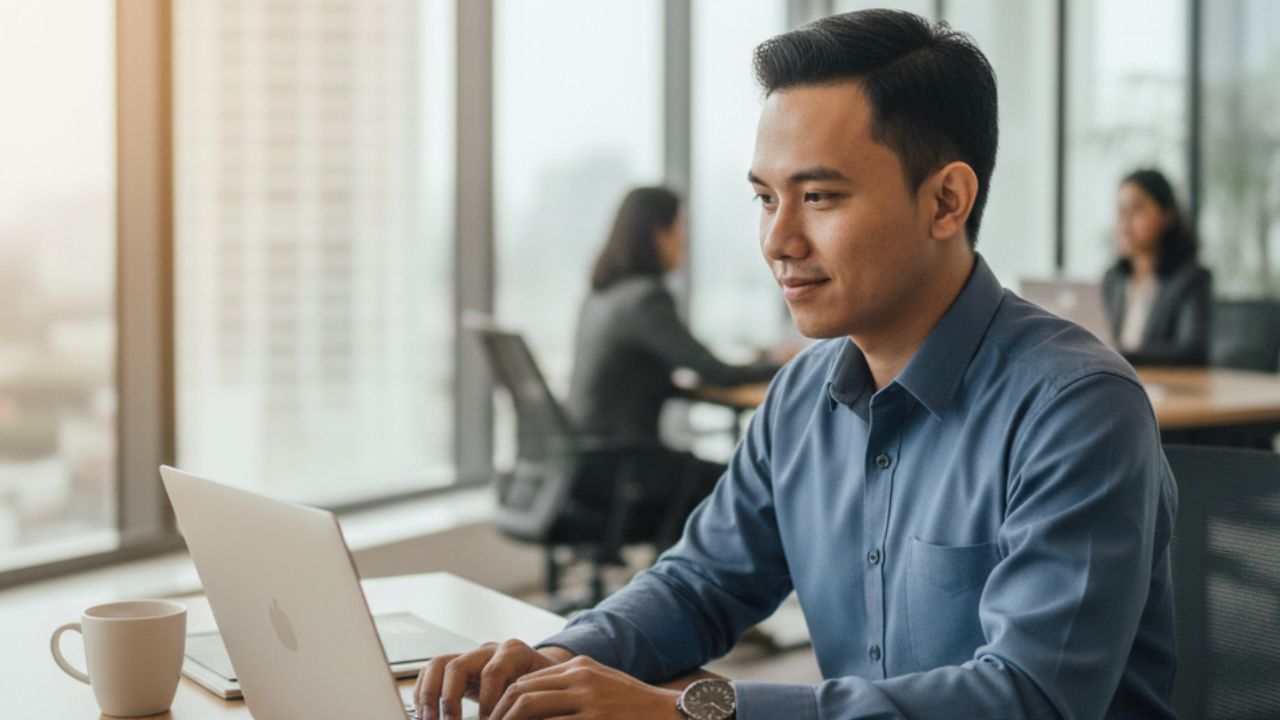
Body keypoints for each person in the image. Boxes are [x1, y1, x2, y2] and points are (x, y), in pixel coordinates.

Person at [415, 10, 1177, 720]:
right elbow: (699, 584)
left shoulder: (1076, 407)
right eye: (764, 199)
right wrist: (553, 660)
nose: (779, 241)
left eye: (817, 197)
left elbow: (1027, 698)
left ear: (946, 202)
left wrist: (691, 712)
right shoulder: (801, 397)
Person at [565, 186, 779, 544]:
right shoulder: (646, 300)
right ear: (657, 234)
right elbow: (716, 372)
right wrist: (788, 362)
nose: (684, 242)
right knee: (747, 486)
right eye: (680, 229)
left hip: (586, 465)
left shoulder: (603, 296)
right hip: (624, 469)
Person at [1103, 168, 1212, 366]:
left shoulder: (1190, 278)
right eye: (1121, 211)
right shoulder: (1113, 279)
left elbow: (1191, 352)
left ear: (1167, 215)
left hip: (1164, 383)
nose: (1124, 224)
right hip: (1113, 377)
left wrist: (1117, 355)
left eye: (1136, 210)